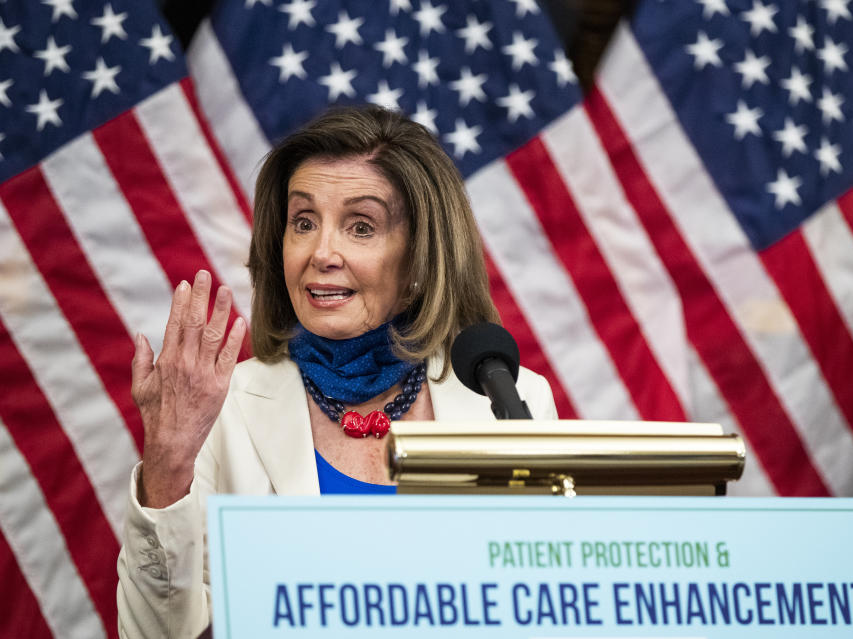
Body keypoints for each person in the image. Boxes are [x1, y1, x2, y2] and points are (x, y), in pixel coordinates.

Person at [116, 105, 558, 638]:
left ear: (420, 257)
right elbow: (156, 634)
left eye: (361, 226)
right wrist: (167, 463)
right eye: (303, 222)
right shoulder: (222, 408)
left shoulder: (508, 401)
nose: (321, 252)